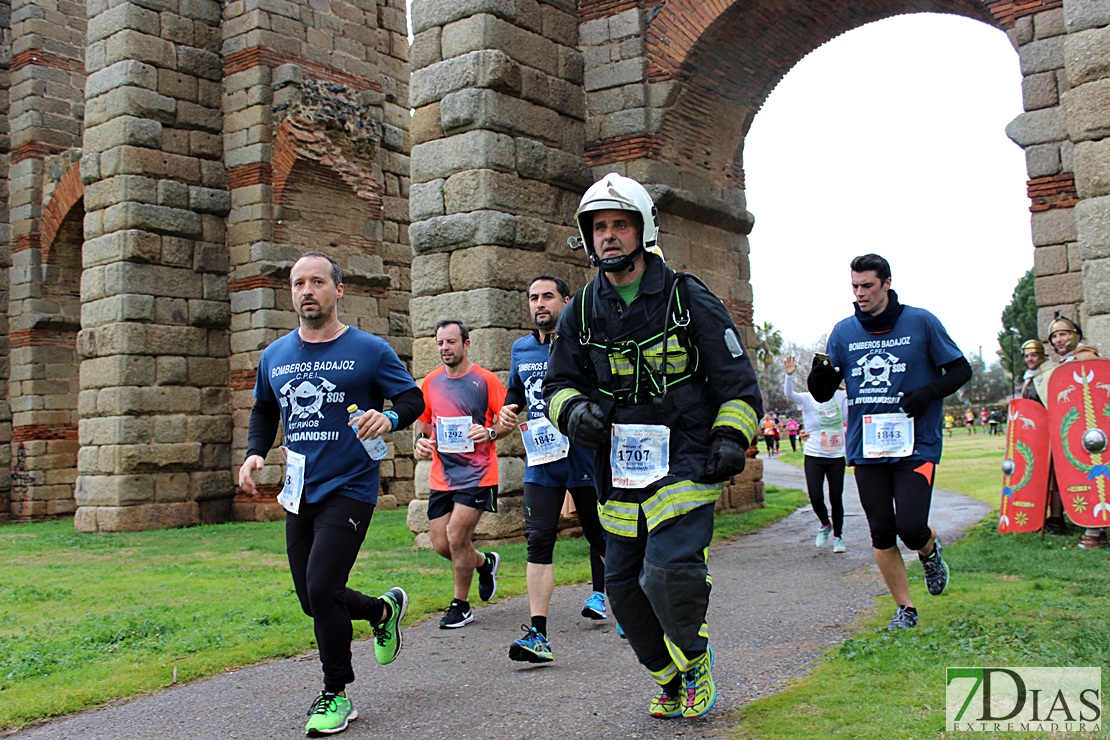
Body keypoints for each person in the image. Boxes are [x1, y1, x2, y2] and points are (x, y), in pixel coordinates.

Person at [544, 173, 762, 719]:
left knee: (668, 571)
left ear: (643, 230)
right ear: (587, 236)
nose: (609, 236)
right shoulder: (581, 311)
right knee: (621, 588)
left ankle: (695, 657)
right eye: (600, 227)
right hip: (617, 465)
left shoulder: (688, 297)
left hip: (687, 453)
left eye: (620, 224)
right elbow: (556, 385)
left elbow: (739, 384)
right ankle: (669, 678)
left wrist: (732, 437)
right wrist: (575, 413)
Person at [238, 251, 425, 736]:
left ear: (338, 290)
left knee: (322, 588)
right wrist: (255, 452)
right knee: (311, 599)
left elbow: (412, 398)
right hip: (300, 490)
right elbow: (263, 410)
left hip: (350, 487)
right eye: (299, 282)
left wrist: (389, 418)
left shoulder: (369, 349)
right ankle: (381, 610)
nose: (307, 291)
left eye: (317, 282)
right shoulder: (274, 355)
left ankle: (335, 692)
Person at [809, 254, 971, 631]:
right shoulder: (843, 331)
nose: (859, 293)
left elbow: (962, 369)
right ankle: (906, 609)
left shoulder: (921, 321)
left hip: (916, 444)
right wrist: (819, 378)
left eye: (867, 286)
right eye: (854, 286)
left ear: (886, 283)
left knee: (911, 527)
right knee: (881, 530)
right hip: (867, 447)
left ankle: (929, 551)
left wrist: (927, 392)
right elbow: (823, 391)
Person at [501, 275, 609, 664]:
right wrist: (509, 409)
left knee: (600, 537)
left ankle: (628, 602)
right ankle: (538, 633)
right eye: (533, 297)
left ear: (566, 301)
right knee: (539, 540)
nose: (539, 303)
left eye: (547, 296)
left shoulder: (583, 343)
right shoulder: (521, 349)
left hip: (582, 455)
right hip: (541, 461)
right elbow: (516, 390)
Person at [414, 319, 516, 627]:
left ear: (466, 344)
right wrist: (420, 443)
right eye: (440, 343)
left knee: (457, 536)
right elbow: (423, 425)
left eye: (451, 342)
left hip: (478, 474)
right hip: (442, 475)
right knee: (442, 545)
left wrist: (489, 433)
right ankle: (485, 563)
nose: (445, 348)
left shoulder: (485, 380)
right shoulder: (430, 382)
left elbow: (506, 422)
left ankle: (460, 604)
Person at [1045, 315, 1106, 548]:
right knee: (1085, 477)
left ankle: (1093, 531)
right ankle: (1097, 530)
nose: (1059, 340)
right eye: (1054, 336)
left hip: (1093, 431)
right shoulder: (1062, 365)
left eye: (1063, 334)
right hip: (1075, 433)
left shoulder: (1086, 359)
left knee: (1096, 477)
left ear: (1075, 334)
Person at [783, 354, 849, 553]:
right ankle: (825, 525)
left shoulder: (842, 397)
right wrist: (789, 376)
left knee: (836, 498)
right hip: (814, 454)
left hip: (836, 455)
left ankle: (838, 536)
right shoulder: (807, 398)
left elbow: (850, 417)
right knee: (815, 496)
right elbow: (790, 395)